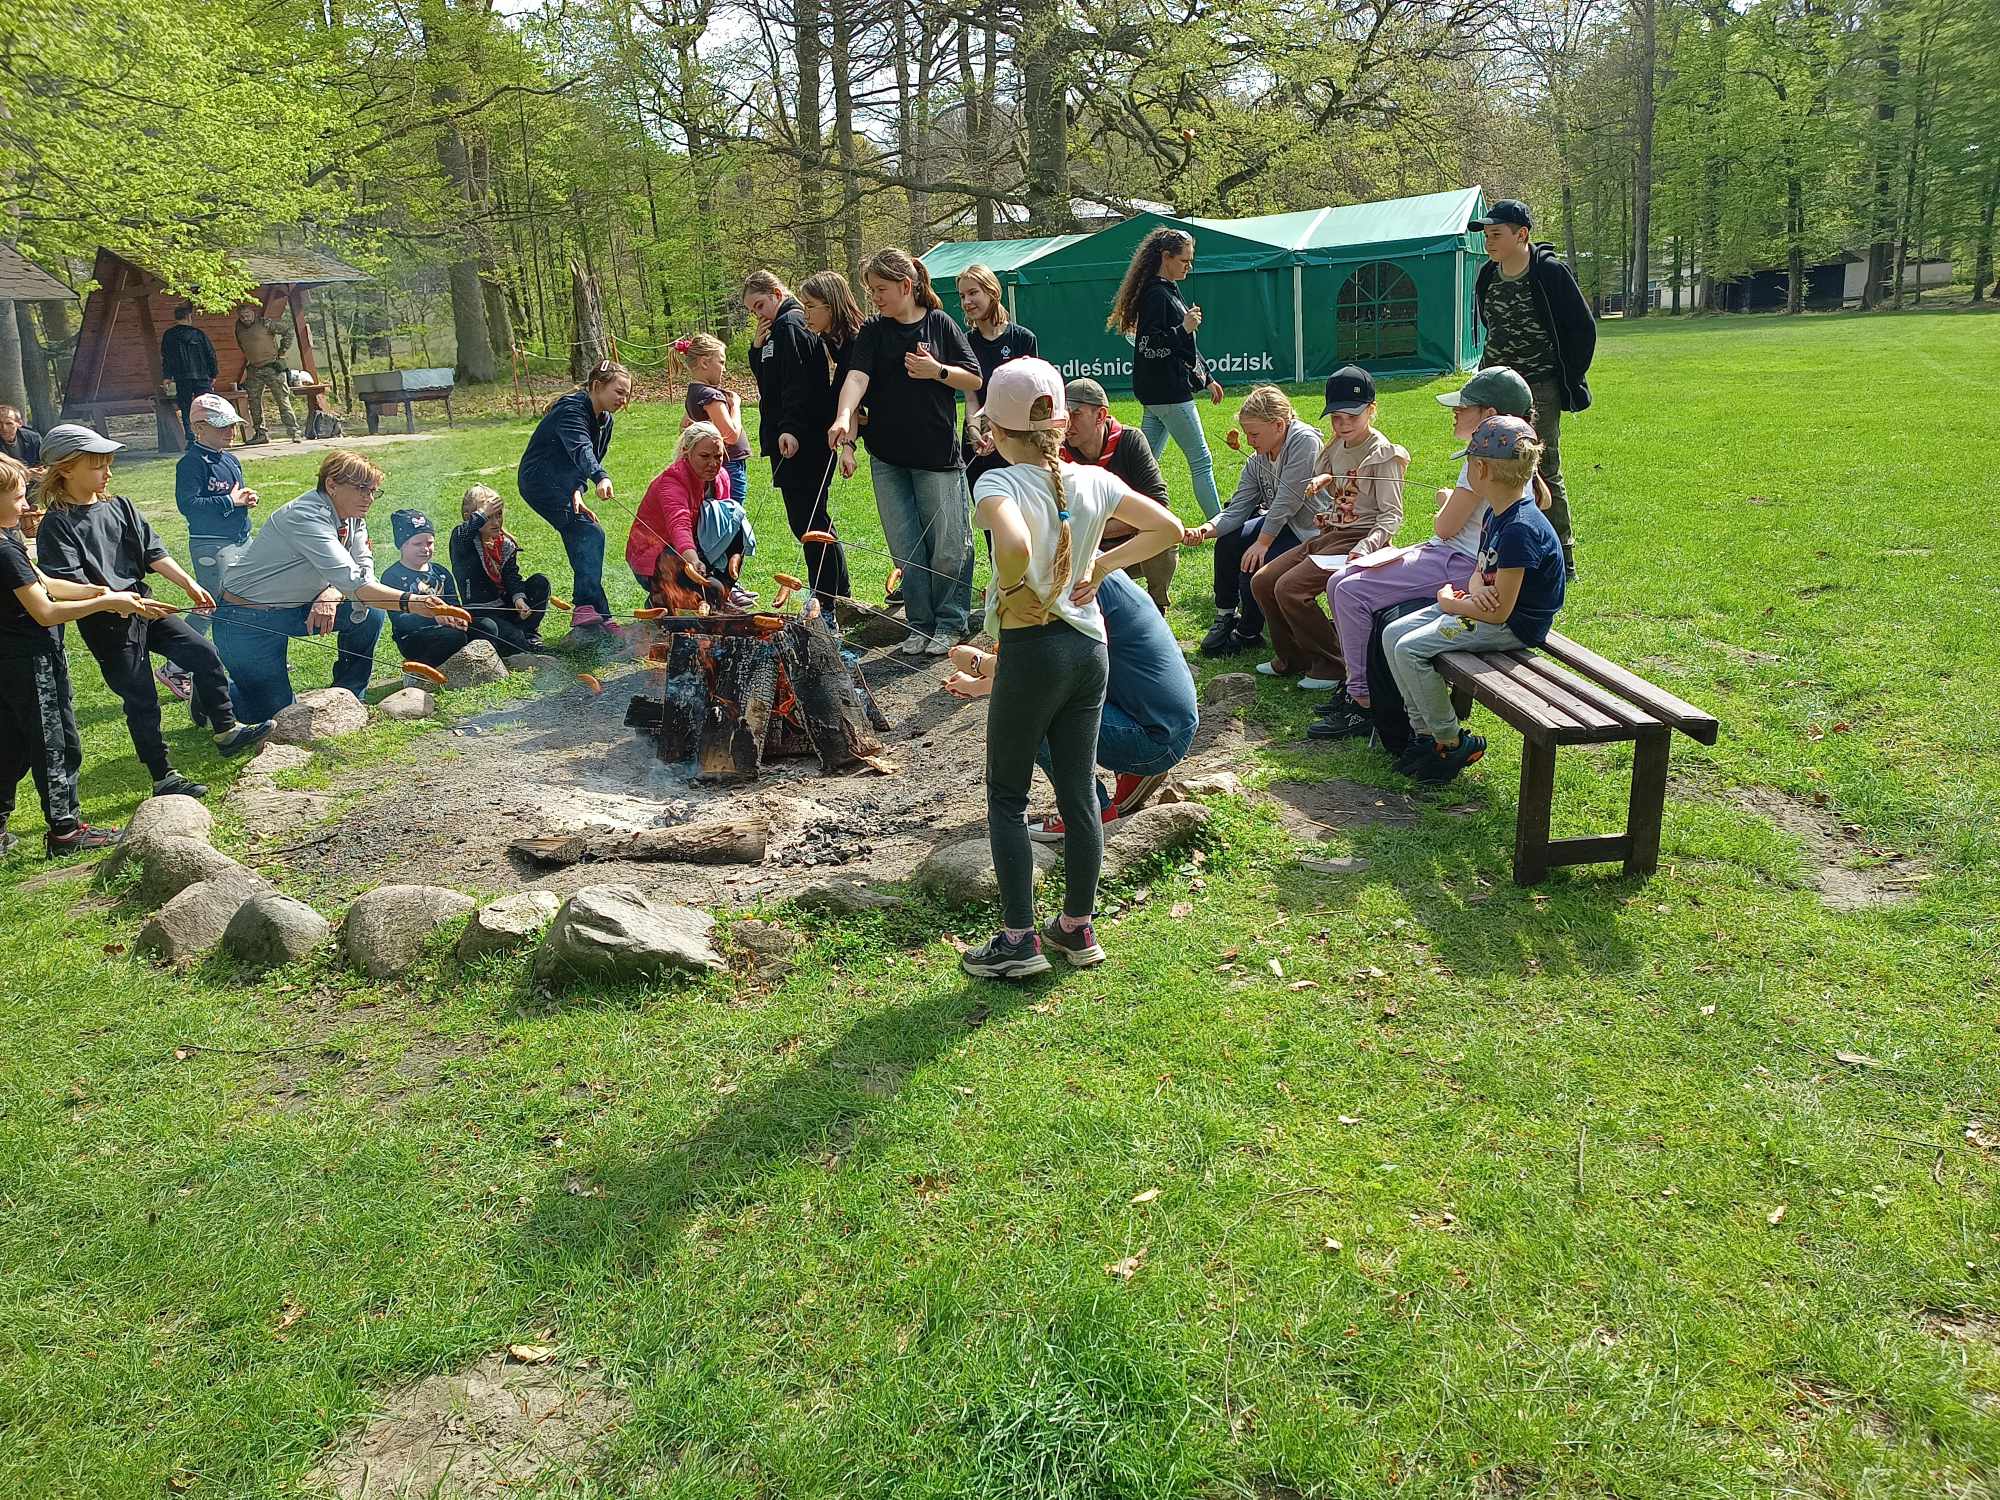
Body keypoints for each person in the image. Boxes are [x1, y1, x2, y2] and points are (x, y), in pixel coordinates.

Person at [944, 357, 1182, 980]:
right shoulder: (1094, 480)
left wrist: (1014, 584)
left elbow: (1016, 544)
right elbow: (1168, 527)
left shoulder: (996, 485)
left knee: (1005, 794)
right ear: (1057, 423)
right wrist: (1101, 567)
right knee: (1078, 790)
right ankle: (1078, 928)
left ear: (995, 431)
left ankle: (1019, 941)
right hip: (1089, 653)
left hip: (1034, 650)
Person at [34, 425, 274, 801]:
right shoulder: (57, 525)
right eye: (98, 466)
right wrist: (119, 601)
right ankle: (163, 775)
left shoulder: (120, 506)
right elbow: (70, 586)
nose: (108, 473)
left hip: (145, 608)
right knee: (141, 698)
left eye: (109, 464)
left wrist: (189, 584)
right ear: (66, 469)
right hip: (107, 623)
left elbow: (153, 552)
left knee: (204, 653)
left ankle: (226, 730)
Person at [1313, 366, 1538, 740]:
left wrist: (1446, 501)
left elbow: (1446, 528)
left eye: (1464, 407)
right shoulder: (1510, 450)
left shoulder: (1481, 461)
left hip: (1462, 561)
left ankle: (1364, 700)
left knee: (1349, 589)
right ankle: (1359, 685)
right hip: (1452, 556)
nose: (1455, 412)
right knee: (1339, 582)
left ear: (1489, 415)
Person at [0, 453, 176, 857]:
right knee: (55, 742)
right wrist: (104, 605)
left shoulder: (9, 537)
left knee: (10, 743)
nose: (26, 505)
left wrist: (104, 592)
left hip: (13, 661)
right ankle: (64, 830)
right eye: (17, 497)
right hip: (31, 660)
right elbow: (44, 610)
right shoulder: (5, 550)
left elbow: (47, 583)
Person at [214, 450, 463, 721]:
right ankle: (215, 694)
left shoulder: (353, 516)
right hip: (245, 617)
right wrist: (414, 602)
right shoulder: (305, 516)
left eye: (373, 491)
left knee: (369, 613)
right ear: (332, 484)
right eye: (361, 489)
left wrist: (333, 590)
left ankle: (349, 697)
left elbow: (362, 571)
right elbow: (355, 581)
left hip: (296, 608)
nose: (368, 498)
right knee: (275, 715)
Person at [950, 568, 1197, 839]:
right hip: (1168, 721)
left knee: (1032, 715)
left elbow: (1035, 671)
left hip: (1155, 738)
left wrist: (979, 663)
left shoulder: (1072, 590)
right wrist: (978, 685)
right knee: (1051, 694)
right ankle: (1130, 771)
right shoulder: (1090, 569)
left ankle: (1089, 810)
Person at [1384, 415, 1565, 783]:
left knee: (1409, 649)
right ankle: (1425, 735)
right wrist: (1476, 590)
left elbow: (1500, 613)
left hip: (1513, 627)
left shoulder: (1520, 529)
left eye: (1468, 463)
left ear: (1481, 469)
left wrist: (1453, 604)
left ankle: (1450, 742)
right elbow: (1481, 573)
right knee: (1392, 634)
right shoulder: (1498, 514)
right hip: (1482, 608)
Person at [827, 247, 982, 656]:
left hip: (937, 458)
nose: (874, 298)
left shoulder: (940, 325)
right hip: (889, 459)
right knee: (906, 547)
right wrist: (844, 419)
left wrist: (938, 372)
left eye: (880, 289)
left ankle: (951, 622)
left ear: (906, 286)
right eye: (870, 290)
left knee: (949, 546)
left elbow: (974, 378)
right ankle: (921, 624)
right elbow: (856, 379)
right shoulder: (874, 333)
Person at [1248, 365, 1408, 690]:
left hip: (1358, 539)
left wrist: (1367, 546)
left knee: (1289, 588)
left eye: (1352, 416)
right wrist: (1325, 477)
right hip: (1328, 535)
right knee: (1264, 581)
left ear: (1371, 410)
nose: (1343, 423)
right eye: (1336, 417)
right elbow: (1340, 473)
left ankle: (1332, 664)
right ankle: (1292, 658)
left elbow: (1391, 515)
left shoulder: (1382, 453)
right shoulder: (1336, 445)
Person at [1472, 198, 1595, 578]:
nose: (1489, 242)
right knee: (1490, 463)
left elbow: (1582, 329)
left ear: (1521, 234)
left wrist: (1565, 376)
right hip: (1495, 387)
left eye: (1496, 234)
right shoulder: (1487, 275)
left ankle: (1562, 557)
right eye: (1486, 235)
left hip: (1540, 387)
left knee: (1543, 468)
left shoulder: (1550, 273)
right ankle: (1498, 549)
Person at [744, 268, 856, 614]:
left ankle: (826, 595)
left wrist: (789, 428)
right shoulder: (776, 330)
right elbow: (770, 381)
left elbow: (797, 384)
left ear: (777, 293)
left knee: (808, 521)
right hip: (791, 435)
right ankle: (835, 590)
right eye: (752, 311)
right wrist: (755, 348)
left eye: (761, 305)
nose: (758, 315)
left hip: (802, 437)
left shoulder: (791, 326)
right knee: (810, 518)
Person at [1186, 386, 1322, 656]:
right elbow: (1239, 507)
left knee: (1254, 562)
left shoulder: (1304, 441)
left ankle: (1249, 633)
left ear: (1279, 425)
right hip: (1279, 524)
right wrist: (1206, 529)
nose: (1249, 441)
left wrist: (1262, 542)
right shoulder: (1258, 456)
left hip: (1309, 530)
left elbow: (1288, 500)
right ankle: (1226, 614)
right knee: (1229, 540)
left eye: (1254, 434)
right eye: (1247, 433)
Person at [1107, 228, 1225, 521]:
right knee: (1201, 460)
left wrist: (1206, 377)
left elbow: (1181, 347)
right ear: (1166, 257)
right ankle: (1223, 527)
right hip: (1169, 394)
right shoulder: (1156, 295)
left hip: (1157, 394)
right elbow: (1149, 346)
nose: (1189, 266)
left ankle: (1123, 519)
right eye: (1184, 260)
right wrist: (1183, 327)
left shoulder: (1166, 290)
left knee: (1146, 465)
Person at [516, 360, 630, 634]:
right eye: (618, 392)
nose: (623, 399)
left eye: (627, 394)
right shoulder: (571, 410)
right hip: (539, 481)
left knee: (584, 531)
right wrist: (600, 477)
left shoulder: (605, 420)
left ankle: (598, 612)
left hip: (564, 483)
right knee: (588, 532)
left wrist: (578, 489)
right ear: (596, 387)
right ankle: (586, 607)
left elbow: (587, 457)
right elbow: (581, 448)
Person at [1059, 377, 1176, 611]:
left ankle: (1157, 607)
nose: (1066, 423)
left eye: (1076, 414)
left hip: (1128, 549)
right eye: (1063, 414)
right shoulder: (1058, 450)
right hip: (1082, 549)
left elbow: (1159, 504)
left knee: (1165, 538)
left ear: (1101, 416)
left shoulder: (1130, 441)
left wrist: (1092, 526)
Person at [628, 424, 757, 611]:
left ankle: (725, 591)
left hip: (695, 548)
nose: (713, 463)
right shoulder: (671, 482)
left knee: (734, 521)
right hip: (656, 555)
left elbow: (723, 525)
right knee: (686, 582)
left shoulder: (721, 477)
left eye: (718, 456)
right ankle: (659, 598)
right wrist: (693, 560)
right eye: (705, 456)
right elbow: (679, 525)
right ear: (686, 452)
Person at [174, 393, 258, 647]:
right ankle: (178, 663)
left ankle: (251, 654)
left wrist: (245, 498)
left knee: (247, 598)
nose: (231, 431)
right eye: (222, 425)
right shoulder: (191, 463)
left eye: (232, 424)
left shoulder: (230, 459)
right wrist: (230, 502)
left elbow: (233, 495)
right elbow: (188, 506)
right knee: (211, 602)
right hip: (212, 544)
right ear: (199, 428)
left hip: (241, 539)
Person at [956, 263, 1038, 489]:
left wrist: (999, 432)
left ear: (992, 292)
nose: (966, 302)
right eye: (962, 296)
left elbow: (1029, 398)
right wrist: (973, 431)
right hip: (979, 443)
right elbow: (971, 398)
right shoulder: (965, 343)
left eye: (973, 293)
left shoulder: (1022, 339)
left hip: (1016, 442)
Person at [450, 486, 551, 657]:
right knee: (513, 640)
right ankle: (516, 639)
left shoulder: (503, 543)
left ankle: (529, 633)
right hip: (480, 612)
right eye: (488, 517)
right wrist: (482, 513)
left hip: (504, 606)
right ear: (470, 517)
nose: (496, 522)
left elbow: (511, 575)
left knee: (540, 582)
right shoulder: (463, 539)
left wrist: (518, 598)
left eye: (499, 515)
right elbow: (464, 534)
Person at [381, 509, 471, 672]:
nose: (425, 549)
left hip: (447, 629)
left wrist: (459, 618)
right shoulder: (392, 576)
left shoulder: (441, 572)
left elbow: (454, 604)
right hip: (413, 636)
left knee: (486, 626)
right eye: (418, 544)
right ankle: (419, 670)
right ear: (402, 545)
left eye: (429, 543)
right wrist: (434, 618)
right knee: (454, 638)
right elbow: (400, 620)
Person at [673, 333, 751, 512]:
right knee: (731, 516)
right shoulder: (710, 396)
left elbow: (684, 425)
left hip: (714, 465)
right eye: (721, 362)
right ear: (704, 362)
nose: (724, 369)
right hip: (727, 466)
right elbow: (730, 435)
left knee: (715, 515)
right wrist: (736, 406)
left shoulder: (694, 393)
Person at [233, 303, 300, 445]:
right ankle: (260, 433)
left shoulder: (265, 323)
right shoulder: (238, 328)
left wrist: (282, 352)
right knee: (254, 402)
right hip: (254, 369)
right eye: (242, 316)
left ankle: (294, 431)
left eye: (248, 315)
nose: (246, 318)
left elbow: (288, 331)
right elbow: (241, 345)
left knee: (282, 399)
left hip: (272, 367)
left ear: (253, 313)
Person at [160, 304, 219, 441]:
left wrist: (167, 376)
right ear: (189, 317)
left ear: (176, 318)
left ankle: (190, 436)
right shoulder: (199, 334)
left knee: (186, 408)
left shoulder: (169, 335)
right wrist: (213, 373)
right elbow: (211, 354)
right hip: (202, 376)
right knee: (207, 406)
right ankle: (210, 435)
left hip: (182, 377)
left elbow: (167, 358)